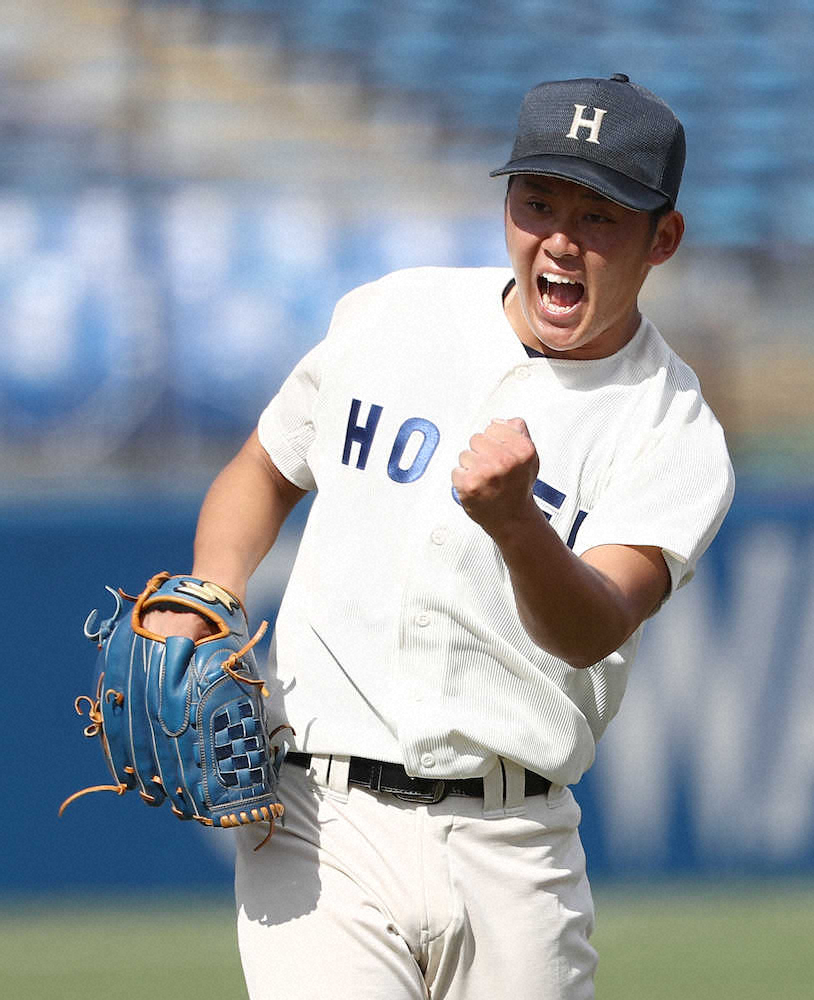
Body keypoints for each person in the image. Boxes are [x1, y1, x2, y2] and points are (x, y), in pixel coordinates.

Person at [146, 74, 734, 999]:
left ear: (664, 237)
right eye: (538, 201)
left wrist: (517, 529)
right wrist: (213, 591)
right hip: (318, 825)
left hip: (513, 845)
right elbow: (261, 470)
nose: (562, 241)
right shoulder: (394, 314)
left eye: (601, 215)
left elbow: (594, 625)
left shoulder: (673, 427)